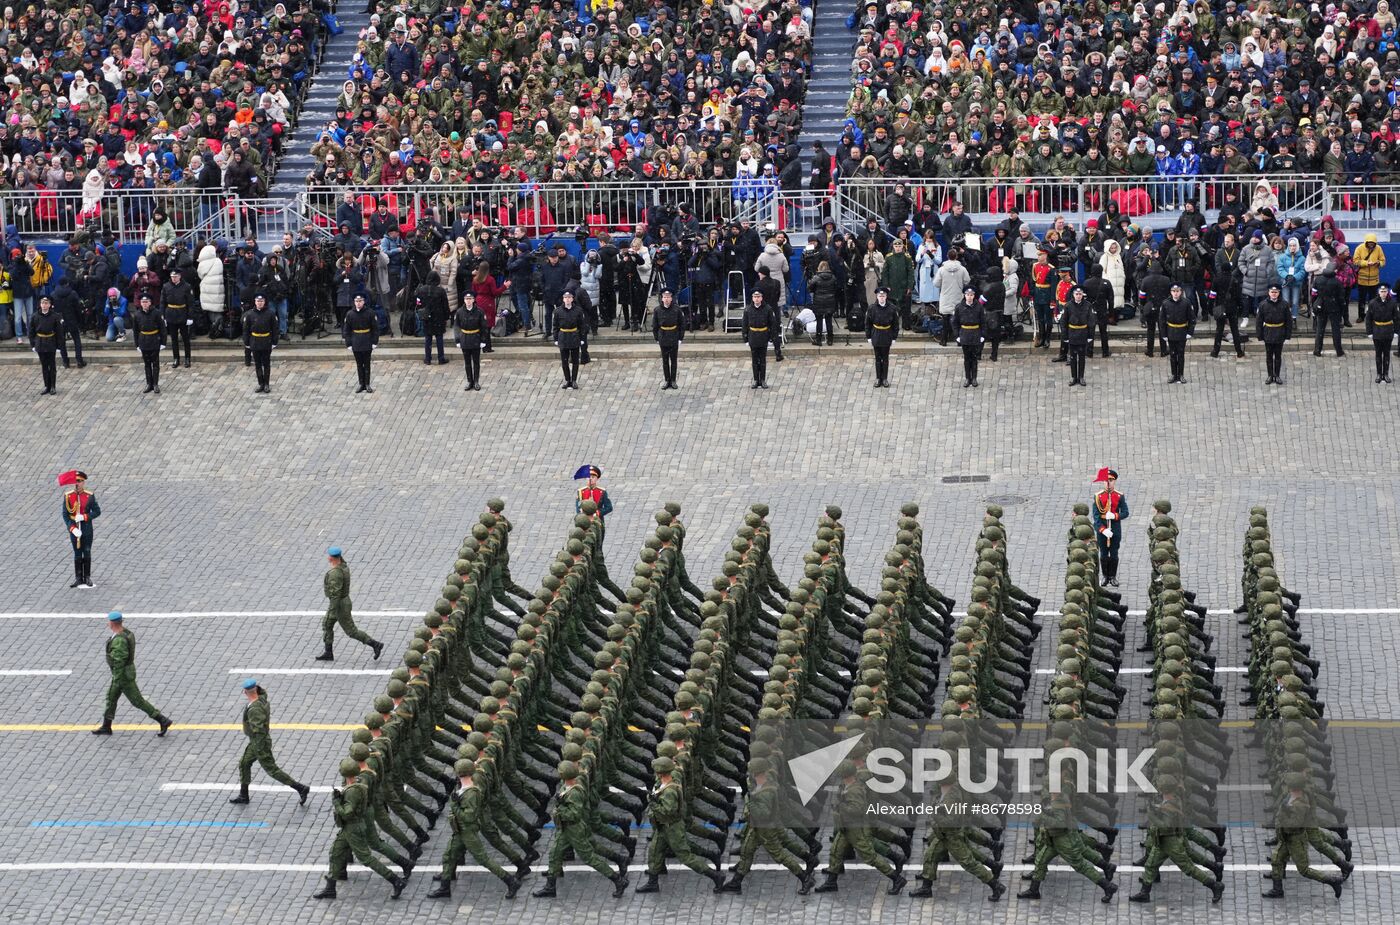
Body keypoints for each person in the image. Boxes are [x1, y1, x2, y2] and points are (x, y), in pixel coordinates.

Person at [312, 758, 408, 900]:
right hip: (349, 828)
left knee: (366, 858)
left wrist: (337, 802)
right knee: (335, 852)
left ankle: (395, 880)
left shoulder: (353, 791)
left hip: (353, 828)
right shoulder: (358, 784)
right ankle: (330, 887)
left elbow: (347, 813)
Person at [230, 678, 310, 805]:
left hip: (259, 743)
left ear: (245, 692)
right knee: (244, 763)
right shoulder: (261, 699)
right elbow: (263, 692)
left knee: (272, 770)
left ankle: (301, 788)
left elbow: (259, 730)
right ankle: (243, 795)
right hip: (256, 742)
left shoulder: (254, 709)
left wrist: (259, 747)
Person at [93, 611, 172, 736]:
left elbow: (119, 661)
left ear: (112, 623)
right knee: (111, 698)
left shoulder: (119, 640)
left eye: (109, 621)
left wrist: (117, 678)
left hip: (122, 676)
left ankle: (162, 720)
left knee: (137, 701)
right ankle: (106, 726)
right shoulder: (126, 633)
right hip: (124, 673)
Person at [316, 546, 383, 661]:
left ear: (332, 558)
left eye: (329, 556)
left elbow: (335, 594)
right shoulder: (343, 566)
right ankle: (328, 652)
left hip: (339, 605)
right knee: (327, 624)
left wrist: (332, 609)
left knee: (351, 631)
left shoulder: (335, 573)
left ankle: (375, 644)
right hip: (342, 603)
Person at [60, 469, 100, 588]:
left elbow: (97, 511)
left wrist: (84, 516)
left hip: (86, 528)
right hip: (75, 529)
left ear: (83, 482)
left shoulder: (89, 496)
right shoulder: (68, 496)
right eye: (76, 481)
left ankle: (87, 577)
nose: (77, 484)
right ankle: (78, 577)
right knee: (77, 553)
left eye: (79, 481)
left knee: (86, 551)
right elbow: (65, 514)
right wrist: (72, 528)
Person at [1091, 468, 1129, 587]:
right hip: (1103, 529)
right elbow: (1096, 517)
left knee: (1114, 553)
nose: (1108, 482)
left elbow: (1126, 512)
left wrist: (1115, 515)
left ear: (1115, 481)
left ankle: (1112, 576)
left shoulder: (1119, 496)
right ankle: (1105, 576)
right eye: (1106, 480)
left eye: (1111, 480)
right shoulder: (1098, 497)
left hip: (1115, 528)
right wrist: (1103, 530)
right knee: (1103, 553)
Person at [742, 289, 782, 389]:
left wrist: (771, 338)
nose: (756, 299)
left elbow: (772, 324)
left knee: (763, 360)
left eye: (758, 297)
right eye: (755, 297)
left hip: (763, 336)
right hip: (753, 336)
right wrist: (745, 338)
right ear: (752, 298)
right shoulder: (748, 309)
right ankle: (756, 380)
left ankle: (763, 380)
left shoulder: (767, 309)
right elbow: (744, 325)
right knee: (754, 360)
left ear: (761, 298)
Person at [242, 293, 279, 394]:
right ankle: (261, 383)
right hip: (255, 341)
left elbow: (275, 329)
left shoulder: (270, 313)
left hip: (266, 341)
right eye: (258, 301)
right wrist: (246, 342)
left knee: (266, 364)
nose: (260, 303)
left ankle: (266, 384)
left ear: (264, 302)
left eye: (261, 301)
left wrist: (275, 341)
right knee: (257, 364)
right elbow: (245, 330)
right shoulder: (249, 314)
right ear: (255, 302)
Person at [342, 293, 379, 393]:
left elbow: (375, 329)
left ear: (364, 302)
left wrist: (374, 341)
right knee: (359, 364)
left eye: (360, 301)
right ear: (354, 302)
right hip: (356, 341)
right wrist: (348, 343)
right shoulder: (350, 314)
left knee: (367, 364)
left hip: (367, 340)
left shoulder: (370, 313)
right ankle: (361, 383)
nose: (358, 303)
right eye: (356, 301)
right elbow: (346, 330)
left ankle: (367, 384)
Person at [131, 293, 167, 395]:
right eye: (143, 302)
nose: (145, 304)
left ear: (150, 303)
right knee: (147, 364)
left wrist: (163, 342)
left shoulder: (156, 313)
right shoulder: (137, 315)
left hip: (154, 339)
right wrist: (137, 344)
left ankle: (155, 384)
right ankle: (149, 384)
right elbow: (135, 331)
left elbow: (162, 328)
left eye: (146, 302)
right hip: (143, 340)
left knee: (155, 363)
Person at [1258, 284, 1294, 385]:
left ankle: (1277, 375)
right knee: (1269, 356)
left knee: (1278, 356)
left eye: (1276, 292)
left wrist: (1288, 335)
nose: (1274, 294)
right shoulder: (1263, 304)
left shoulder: (1284, 304)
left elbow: (1289, 321)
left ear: (1279, 293)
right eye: (1272, 292)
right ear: (1268, 293)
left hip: (1279, 332)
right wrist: (1260, 335)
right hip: (1268, 332)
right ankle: (1270, 375)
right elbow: (1259, 321)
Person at [1161, 283, 1195, 384]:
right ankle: (1173, 374)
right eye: (1173, 291)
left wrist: (1190, 332)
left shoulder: (1186, 303)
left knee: (1181, 355)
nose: (1175, 293)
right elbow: (1162, 320)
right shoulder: (1165, 303)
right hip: (1171, 331)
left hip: (1182, 331)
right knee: (1172, 354)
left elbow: (1192, 318)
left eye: (1177, 291)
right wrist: (1164, 334)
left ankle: (1180, 374)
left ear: (1181, 292)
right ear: (1170, 292)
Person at [952, 285, 985, 388]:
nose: (969, 297)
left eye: (971, 295)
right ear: (964, 295)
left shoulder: (979, 307)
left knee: (974, 358)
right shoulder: (959, 307)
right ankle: (967, 378)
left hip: (975, 333)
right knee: (967, 358)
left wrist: (983, 335)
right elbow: (955, 322)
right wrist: (957, 335)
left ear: (974, 296)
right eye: (967, 295)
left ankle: (974, 378)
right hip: (965, 333)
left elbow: (983, 322)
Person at [652, 288, 686, 389]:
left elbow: (682, 324)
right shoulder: (657, 310)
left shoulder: (677, 309)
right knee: (665, 361)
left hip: (674, 336)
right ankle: (667, 379)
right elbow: (655, 326)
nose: (666, 299)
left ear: (671, 298)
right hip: (663, 336)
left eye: (668, 297)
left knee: (674, 360)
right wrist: (657, 338)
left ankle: (673, 380)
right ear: (662, 299)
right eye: (664, 297)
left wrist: (680, 338)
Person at [454, 290, 487, 391]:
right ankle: (470, 381)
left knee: (476, 362)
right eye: (466, 299)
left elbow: (484, 327)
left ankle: (476, 381)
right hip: (465, 339)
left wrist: (483, 340)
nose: (468, 301)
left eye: (470, 299)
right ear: (464, 300)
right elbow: (456, 327)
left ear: (473, 300)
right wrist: (457, 340)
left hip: (475, 338)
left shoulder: (479, 311)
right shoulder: (459, 312)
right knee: (467, 362)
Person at [29, 295, 62, 395]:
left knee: (52, 365)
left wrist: (59, 346)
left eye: (46, 303)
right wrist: (33, 344)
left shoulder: (55, 316)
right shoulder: (35, 316)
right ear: (40, 304)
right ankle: (46, 386)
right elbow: (31, 331)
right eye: (42, 303)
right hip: (40, 342)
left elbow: (59, 332)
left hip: (51, 341)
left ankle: (53, 386)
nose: (44, 305)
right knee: (44, 366)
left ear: (50, 305)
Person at [162, 267, 194, 368]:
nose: (173, 278)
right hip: (171, 314)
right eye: (172, 277)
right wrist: (163, 316)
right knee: (174, 339)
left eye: (175, 277)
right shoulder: (166, 286)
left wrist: (190, 316)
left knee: (185, 338)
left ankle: (187, 358)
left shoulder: (186, 286)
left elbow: (190, 303)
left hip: (182, 313)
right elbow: (162, 302)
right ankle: (176, 358)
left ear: (179, 277)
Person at [415, 270, 449, 365]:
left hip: (427, 317)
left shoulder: (421, 290)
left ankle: (428, 358)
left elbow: (418, 303)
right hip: (439, 317)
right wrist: (446, 316)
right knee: (439, 338)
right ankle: (441, 358)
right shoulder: (441, 291)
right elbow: (445, 305)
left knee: (428, 338)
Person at [867, 286, 899, 388]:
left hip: (886, 334)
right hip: (876, 333)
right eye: (880, 296)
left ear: (886, 297)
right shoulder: (872, 308)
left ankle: (884, 378)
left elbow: (896, 324)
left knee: (885, 358)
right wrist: (868, 336)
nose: (881, 298)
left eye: (883, 296)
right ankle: (878, 378)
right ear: (877, 296)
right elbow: (867, 323)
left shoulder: (892, 308)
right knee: (877, 358)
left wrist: (894, 337)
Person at [554, 289, 586, 390]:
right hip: (563, 337)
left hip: (574, 336)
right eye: (565, 298)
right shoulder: (558, 311)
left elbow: (582, 326)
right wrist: (555, 338)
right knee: (564, 361)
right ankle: (567, 380)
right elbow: (555, 326)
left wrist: (582, 338)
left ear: (572, 299)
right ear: (563, 299)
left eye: (569, 297)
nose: (567, 299)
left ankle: (574, 380)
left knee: (575, 360)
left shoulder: (578, 310)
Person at [1209, 275, 1246, 360]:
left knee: (1219, 330)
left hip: (1220, 308)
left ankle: (1215, 351)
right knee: (1235, 330)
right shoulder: (1234, 280)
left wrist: (1210, 306)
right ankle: (1239, 351)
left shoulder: (1216, 279)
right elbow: (1238, 296)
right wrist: (1241, 307)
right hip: (1232, 308)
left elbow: (1212, 295)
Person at [1311, 270, 1346, 358]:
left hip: (1321, 306)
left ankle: (1317, 350)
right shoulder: (1337, 282)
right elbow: (1341, 297)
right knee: (1336, 330)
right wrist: (1342, 309)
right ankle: (1339, 350)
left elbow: (1313, 293)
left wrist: (1314, 304)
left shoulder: (1318, 280)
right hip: (1334, 307)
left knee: (1320, 329)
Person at [1063, 286, 1094, 387]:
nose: (1078, 296)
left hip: (1083, 333)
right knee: (1072, 357)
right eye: (1076, 294)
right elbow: (1064, 322)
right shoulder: (1068, 305)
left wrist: (1090, 335)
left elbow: (1091, 321)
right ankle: (1073, 377)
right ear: (1073, 295)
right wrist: (1065, 336)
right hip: (1072, 333)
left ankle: (1081, 377)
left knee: (1081, 357)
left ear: (1083, 295)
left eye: (1080, 294)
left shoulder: (1088, 305)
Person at [1367, 283, 1397, 383]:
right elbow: (1368, 319)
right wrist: (1369, 332)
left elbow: (1396, 318)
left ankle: (1386, 374)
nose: (1383, 293)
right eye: (1381, 291)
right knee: (1378, 354)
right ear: (1378, 293)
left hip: (1388, 330)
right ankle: (1379, 374)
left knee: (1387, 354)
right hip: (1377, 330)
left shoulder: (1392, 303)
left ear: (1387, 292)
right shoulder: (1372, 303)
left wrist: (1396, 331)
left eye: (1385, 291)